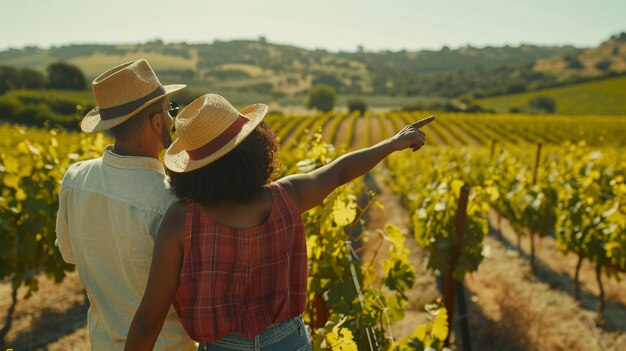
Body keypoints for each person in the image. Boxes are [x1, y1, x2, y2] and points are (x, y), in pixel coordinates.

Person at [125, 93, 434, 351]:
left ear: (192, 168)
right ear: (254, 149)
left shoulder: (181, 219)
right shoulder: (290, 195)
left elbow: (148, 320)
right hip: (290, 341)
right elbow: (340, 171)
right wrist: (393, 142)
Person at [55, 59, 196, 350]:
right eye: (169, 111)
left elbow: (69, 254)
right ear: (156, 122)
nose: (171, 119)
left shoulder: (75, 177)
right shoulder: (172, 202)